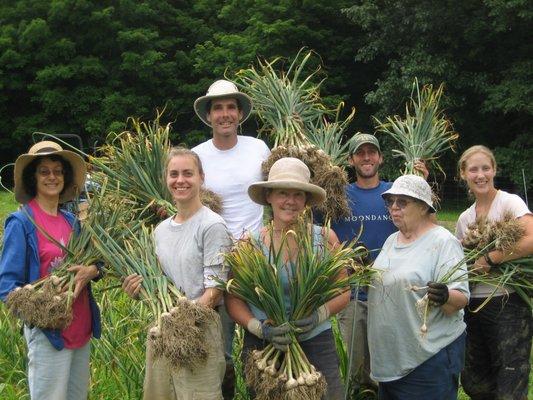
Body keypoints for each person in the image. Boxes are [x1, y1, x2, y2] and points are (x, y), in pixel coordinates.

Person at [225, 157, 350, 400]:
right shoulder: (249, 245)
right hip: (264, 348)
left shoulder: (324, 238)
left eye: (298, 194)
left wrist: (318, 316)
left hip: (315, 340)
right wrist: (259, 329)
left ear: (306, 201)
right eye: (283, 193)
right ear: (269, 196)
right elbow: (233, 298)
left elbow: (343, 290)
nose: (290, 201)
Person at [123, 147, 232, 399]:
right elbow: (159, 282)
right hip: (163, 330)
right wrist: (139, 290)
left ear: (201, 178)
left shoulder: (212, 225)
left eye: (188, 173)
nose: (180, 180)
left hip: (198, 332)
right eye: (174, 174)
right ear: (166, 179)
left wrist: (180, 324)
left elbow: (214, 291)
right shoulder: (160, 231)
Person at [0, 140, 102, 400]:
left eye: (58, 170)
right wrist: (44, 306)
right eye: (44, 171)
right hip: (49, 333)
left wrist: (92, 270)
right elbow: (6, 286)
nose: (52, 177)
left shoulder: (72, 221)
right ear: (32, 177)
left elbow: (97, 261)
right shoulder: (21, 222)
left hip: (81, 328)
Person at [325, 133, 428, 390]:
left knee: (389, 358)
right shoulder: (338, 195)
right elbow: (316, 225)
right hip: (352, 293)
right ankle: (362, 393)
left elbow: (426, 225)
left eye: (372, 152)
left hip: (391, 292)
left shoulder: (396, 194)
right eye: (360, 153)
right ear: (350, 160)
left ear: (381, 158)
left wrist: (421, 185)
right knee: (356, 361)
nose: (367, 157)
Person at [192, 78, 270, 397]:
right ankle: (224, 390)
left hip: (257, 259)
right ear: (209, 116)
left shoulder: (258, 148)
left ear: (239, 113)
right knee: (219, 347)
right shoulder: (197, 157)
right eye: (218, 108)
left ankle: (262, 388)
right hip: (214, 263)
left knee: (261, 336)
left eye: (230, 107)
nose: (225, 114)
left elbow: (277, 195)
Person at [367, 174, 469, 400]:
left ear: (423, 207)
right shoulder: (392, 240)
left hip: (427, 361)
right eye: (390, 201)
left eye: (402, 202)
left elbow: (461, 297)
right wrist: (367, 271)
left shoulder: (443, 241)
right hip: (391, 359)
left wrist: (444, 295)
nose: (394, 207)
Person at [455, 145, 533, 400]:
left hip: (507, 304)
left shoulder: (509, 203)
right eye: (474, 169)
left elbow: (531, 239)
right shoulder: (465, 219)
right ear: (463, 174)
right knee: (476, 382)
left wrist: (491, 258)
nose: (481, 175)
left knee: (509, 381)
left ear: (494, 170)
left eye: (485, 168)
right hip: (475, 306)